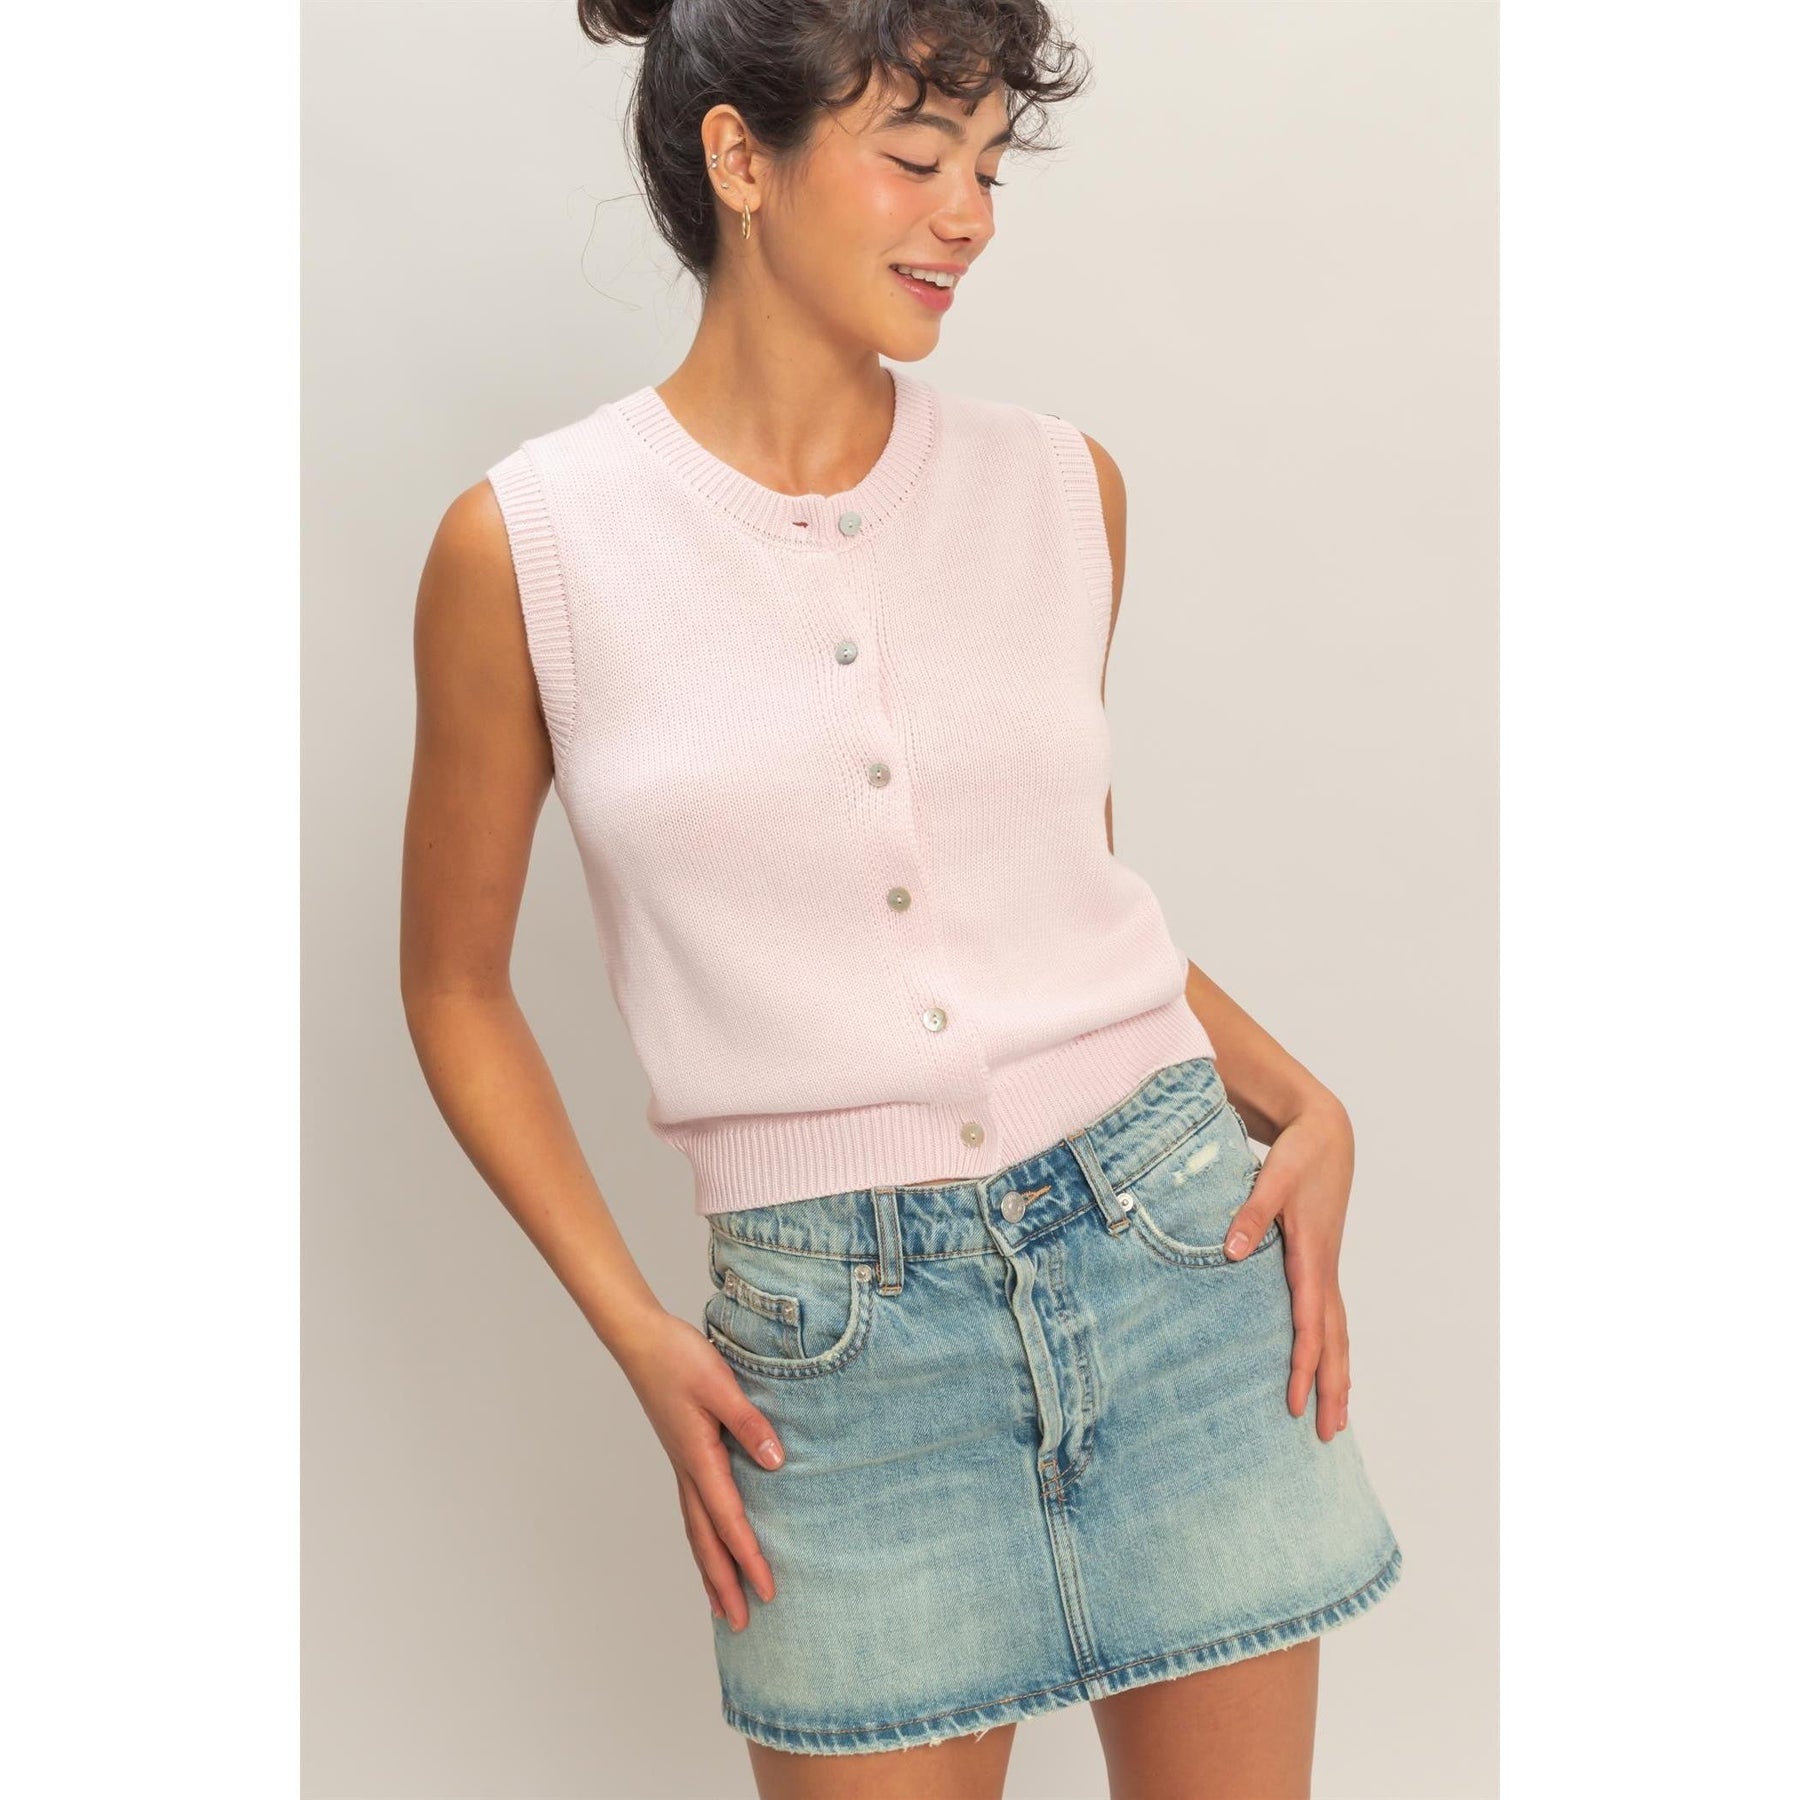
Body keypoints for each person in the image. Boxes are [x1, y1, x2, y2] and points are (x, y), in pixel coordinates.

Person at [399, 1, 1403, 1792]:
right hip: (840, 1355)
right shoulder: (529, 549)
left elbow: (1062, 900)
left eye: (992, 168)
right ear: (740, 159)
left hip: (1173, 1258)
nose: (971, 217)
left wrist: (1296, 1096)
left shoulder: (1063, 490)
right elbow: (453, 986)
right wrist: (636, 1328)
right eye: (920, 157)